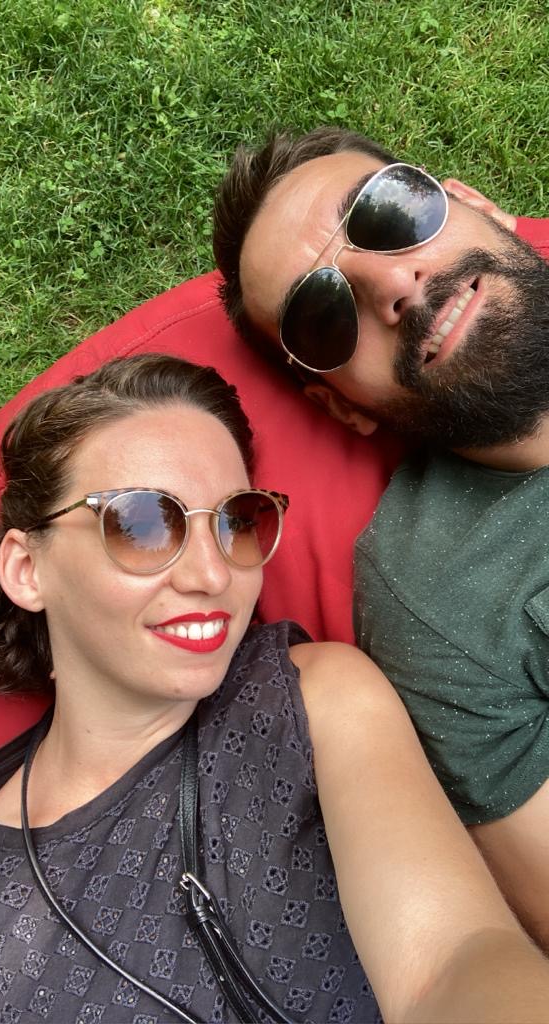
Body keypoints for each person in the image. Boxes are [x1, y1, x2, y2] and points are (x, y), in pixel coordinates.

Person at [0, 353, 549, 1024]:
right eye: (142, 524)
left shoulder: (311, 697)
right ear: (27, 568)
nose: (213, 574)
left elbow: (449, 959)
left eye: (236, 521)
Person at [212, 127, 549, 948]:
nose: (395, 283)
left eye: (391, 213)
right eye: (323, 315)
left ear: (472, 201)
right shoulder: (438, 608)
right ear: (342, 405)